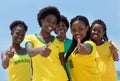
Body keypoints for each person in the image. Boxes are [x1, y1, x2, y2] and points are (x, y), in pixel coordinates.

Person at [24, 6, 68, 81]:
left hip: (61, 78)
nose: (51, 24)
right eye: (48, 20)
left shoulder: (59, 42)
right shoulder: (30, 38)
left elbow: (62, 64)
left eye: (54, 23)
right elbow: (29, 52)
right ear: (41, 20)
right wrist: (40, 50)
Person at [65, 15, 102, 81]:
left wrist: (84, 48)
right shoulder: (73, 50)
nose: (77, 32)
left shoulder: (90, 43)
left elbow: (88, 47)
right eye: (74, 30)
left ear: (87, 28)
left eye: (80, 29)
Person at [55, 15, 72, 80]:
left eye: (63, 25)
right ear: (54, 29)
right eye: (58, 26)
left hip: (72, 74)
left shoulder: (73, 42)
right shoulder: (52, 43)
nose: (61, 27)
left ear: (67, 27)